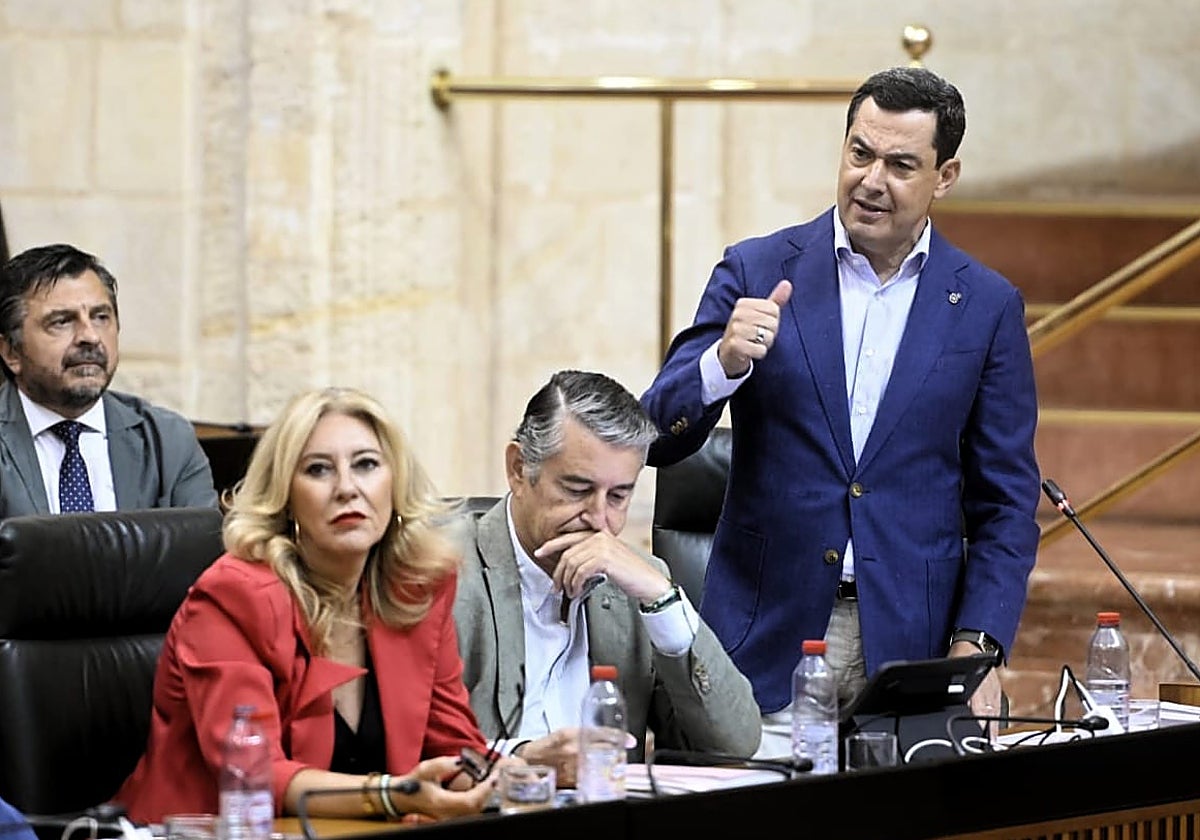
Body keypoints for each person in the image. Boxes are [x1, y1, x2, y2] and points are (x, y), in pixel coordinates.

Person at [640, 66, 1040, 757]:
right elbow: (653, 434)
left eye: (901, 164)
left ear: (944, 176)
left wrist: (978, 643)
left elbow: (1006, 502)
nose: (871, 179)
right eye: (860, 153)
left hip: (911, 658)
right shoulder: (757, 268)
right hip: (765, 647)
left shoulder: (986, 306)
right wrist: (723, 365)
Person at [116, 387, 498, 823]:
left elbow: (453, 747)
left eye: (366, 465)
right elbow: (255, 777)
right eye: (318, 470)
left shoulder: (415, 590)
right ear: (286, 495)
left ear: (395, 484)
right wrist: (393, 795)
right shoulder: (230, 599)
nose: (347, 488)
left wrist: (509, 775)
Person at [452, 370, 761, 785]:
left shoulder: (636, 583)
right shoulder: (446, 573)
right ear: (518, 468)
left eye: (618, 496)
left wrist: (661, 596)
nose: (601, 521)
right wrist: (521, 760)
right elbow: (404, 752)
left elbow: (734, 744)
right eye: (578, 489)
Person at [0, 243, 217, 517]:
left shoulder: (168, 440)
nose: (90, 336)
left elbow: (200, 554)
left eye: (101, 317)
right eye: (62, 322)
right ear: (11, 352)